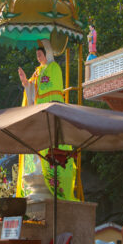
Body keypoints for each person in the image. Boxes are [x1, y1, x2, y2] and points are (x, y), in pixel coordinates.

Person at [16, 38, 76, 200]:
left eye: (40, 54)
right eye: (36, 55)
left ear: (47, 53)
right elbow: (32, 91)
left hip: (49, 112)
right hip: (37, 113)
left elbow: (53, 88)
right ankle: (38, 169)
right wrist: (25, 83)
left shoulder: (54, 68)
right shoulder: (37, 72)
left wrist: (39, 95)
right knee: (37, 145)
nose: (38, 57)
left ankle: (49, 175)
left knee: (49, 143)